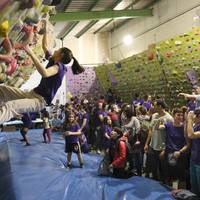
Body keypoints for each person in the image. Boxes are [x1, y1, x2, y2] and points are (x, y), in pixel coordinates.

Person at [0, 18, 84, 125]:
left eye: (57, 50)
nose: (55, 50)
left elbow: (44, 72)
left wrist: (30, 52)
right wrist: (45, 31)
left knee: (10, 106)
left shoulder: (60, 67)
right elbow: (45, 46)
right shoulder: (53, 60)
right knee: (2, 90)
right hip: (32, 94)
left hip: (39, 101)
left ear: (61, 55)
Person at [187, 109, 200, 198]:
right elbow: (187, 135)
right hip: (193, 160)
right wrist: (188, 121)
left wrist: (190, 120)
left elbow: (191, 135)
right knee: (194, 187)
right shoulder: (196, 125)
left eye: (194, 116)